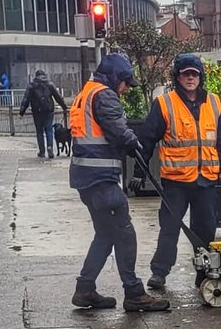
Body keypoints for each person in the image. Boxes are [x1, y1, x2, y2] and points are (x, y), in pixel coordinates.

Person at [69, 53, 169, 312]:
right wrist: (134, 142)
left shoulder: (86, 93)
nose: (125, 89)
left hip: (85, 178)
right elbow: (117, 130)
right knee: (125, 234)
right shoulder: (104, 94)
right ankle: (134, 293)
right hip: (101, 179)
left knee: (105, 234)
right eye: (125, 82)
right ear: (115, 78)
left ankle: (85, 289)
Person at [135, 53, 221, 292]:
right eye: (186, 74)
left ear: (200, 77)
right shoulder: (164, 103)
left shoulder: (214, 102)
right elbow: (146, 140)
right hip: (176, 182)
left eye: (194, 74)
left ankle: (204, 274)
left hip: (206, 180)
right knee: (169, 227)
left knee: (205, 229)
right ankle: (159, 272)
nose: (190, 78)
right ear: (177, 77)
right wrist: (139, 173)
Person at [20, 69, 67, 159]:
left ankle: (42, 151)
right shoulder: (50, 84)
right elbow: (58, 97)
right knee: (49, 130)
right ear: (44, 76)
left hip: (37, 111)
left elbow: (26, 99)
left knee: (39, 131)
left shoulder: (31, 85)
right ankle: (50, 147)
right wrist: (64, 107)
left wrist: (22, 112)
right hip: (48, 110)